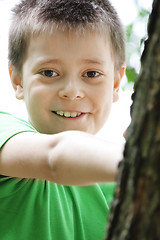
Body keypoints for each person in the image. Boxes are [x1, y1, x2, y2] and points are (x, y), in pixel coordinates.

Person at [0, 0, 126, 239]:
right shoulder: (4, 131)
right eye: (49, 73)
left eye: (91, 74)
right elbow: (55, 157)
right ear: (18, 81)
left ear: (116, 83)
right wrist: (142, 157)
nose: (71, 91)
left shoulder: (125, 191)